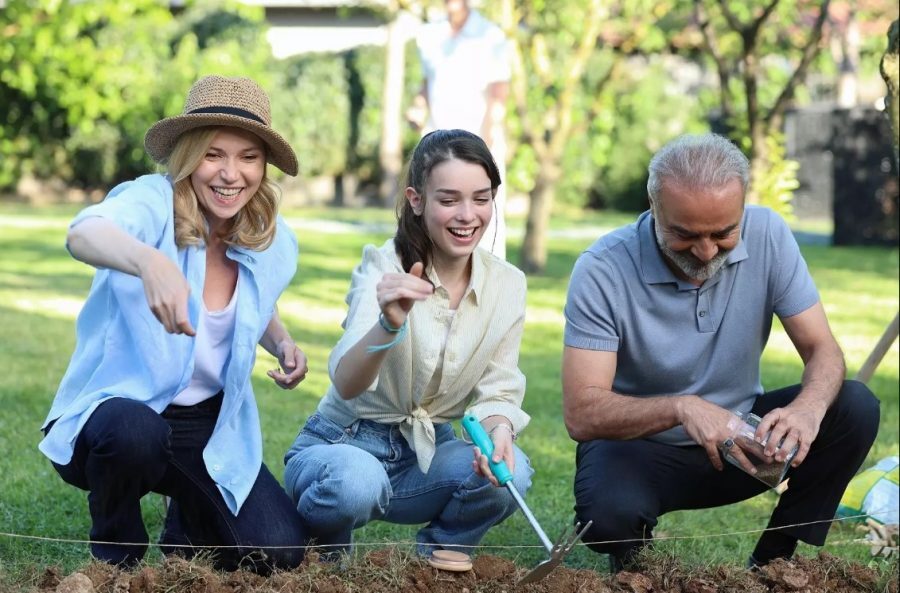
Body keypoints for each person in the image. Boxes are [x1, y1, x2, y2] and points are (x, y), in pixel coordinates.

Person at [561, 133, 880, 571]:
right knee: (608, 516)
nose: (706, 251)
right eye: (685, 234)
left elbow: (822, 348)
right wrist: (681, 408)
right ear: (654, 208)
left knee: (854, 406)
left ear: (743, 208)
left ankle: (775, 561)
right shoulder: (602, 269)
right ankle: (634, 564)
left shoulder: (768, 234)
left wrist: (807, 409)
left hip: (744, 446)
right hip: (640, 448)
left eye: (724, 232)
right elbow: (582, 412)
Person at [39, 75, 310, 573]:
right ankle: (114, 555)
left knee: (280, 551)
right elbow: (83, 234)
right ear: (187, 155)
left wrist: (282, 340)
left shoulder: (269, 236)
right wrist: (148, 261)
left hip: (201, 424)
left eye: (248, 157)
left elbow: (255, 300)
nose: (231, 174)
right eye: (214, 154)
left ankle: (184, 523)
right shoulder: (151, 203)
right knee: (135, 433)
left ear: (263, 166)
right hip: (116, 414)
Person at [284, 129, 532, 561]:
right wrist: (388, 322)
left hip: (428, 453)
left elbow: (499, 389)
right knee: (356, 484)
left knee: (515, 473)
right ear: (416, 200)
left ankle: (441, 555)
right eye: (449, 199)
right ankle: (320, 543)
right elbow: (345, 382)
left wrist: (501, 433)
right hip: (345, 446)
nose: (467, 215)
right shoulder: (384, 265)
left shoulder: (508, 285)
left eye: (481, 198)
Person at [409, 0, 511, 260]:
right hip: (435, 146)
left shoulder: (491, 35)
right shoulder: (429, 35)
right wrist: (417, 107)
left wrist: (485, 146)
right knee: (430, 215)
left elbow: (498, 93)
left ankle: (487, 285)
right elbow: (427, 83)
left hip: (478, 143)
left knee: (477, 216)